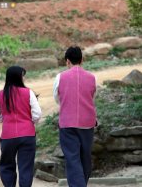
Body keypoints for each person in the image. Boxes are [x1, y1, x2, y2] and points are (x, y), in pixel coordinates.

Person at [52, 47, 97, 187]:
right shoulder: (92, 77)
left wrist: (68, 105)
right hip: (88, 123)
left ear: (68, 61)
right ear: (82, 60)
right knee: (85, 158)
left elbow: (57, 98)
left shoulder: (60, 77)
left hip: (68, 123)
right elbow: (92, 97)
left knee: (72, 159)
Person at [0, 66, 42, 187]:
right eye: (23, 76)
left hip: (8, 136)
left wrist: (8, 120)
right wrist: (29, 121)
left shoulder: (0, 95)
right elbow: (37, 114)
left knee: (6, 165)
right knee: (26, 166)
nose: (24, 78)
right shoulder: (28, 93)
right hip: (27, 134)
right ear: (18, 77)